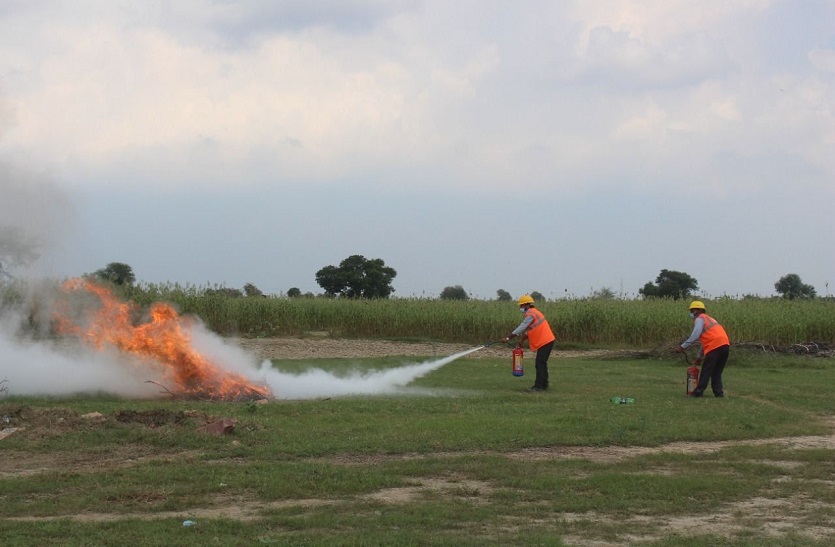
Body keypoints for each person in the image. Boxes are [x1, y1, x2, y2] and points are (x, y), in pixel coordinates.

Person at [675, 300, 730, 398]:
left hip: (715, 345)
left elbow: (695, 335)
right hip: (725, 344)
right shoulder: (710, 319)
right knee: (716, 371)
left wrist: (682, 347)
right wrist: (699, 356)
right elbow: (706, 340)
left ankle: (697, 393)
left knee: (706, 370)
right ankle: (719, 393)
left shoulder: (700, 319)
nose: (692, 313)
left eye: (693, 310)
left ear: (699, 310)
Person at [500, 295, 556, 392]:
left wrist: (508, 338)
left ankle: (538, 386)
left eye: (521, 306)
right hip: (548, 340)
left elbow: (521, 327)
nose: (520, 308)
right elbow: (530, 329)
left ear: (527, 305)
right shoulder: (534, 313)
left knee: (539, 364)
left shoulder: (530, 314)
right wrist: (522, 340)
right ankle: (544, 385)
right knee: (542, 363)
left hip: (545, 341)